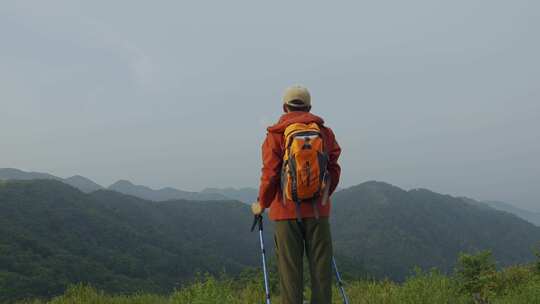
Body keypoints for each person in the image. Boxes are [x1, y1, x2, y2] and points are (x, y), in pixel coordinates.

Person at [251, 85, 342, 304]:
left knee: (290, 272)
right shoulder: (325, 133)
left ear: (284, 107)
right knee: (321, 270)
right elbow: (334, 169)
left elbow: (271, 174)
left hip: (285, 214)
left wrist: (261, 204)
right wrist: (322, 196)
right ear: (309, 107)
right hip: (318, 213)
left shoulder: (276, 135)